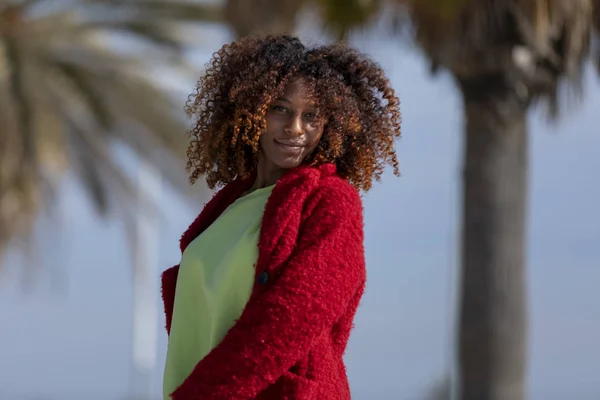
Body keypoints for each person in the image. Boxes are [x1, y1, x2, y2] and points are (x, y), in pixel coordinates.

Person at [160, 34, 401, 400]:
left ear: (329, 125)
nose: (296, 129)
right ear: (252, 109)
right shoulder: (230, 206)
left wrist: (202, 393)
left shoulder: (331, 201)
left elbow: (292, 317)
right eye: (281, 109)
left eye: (312, 116)